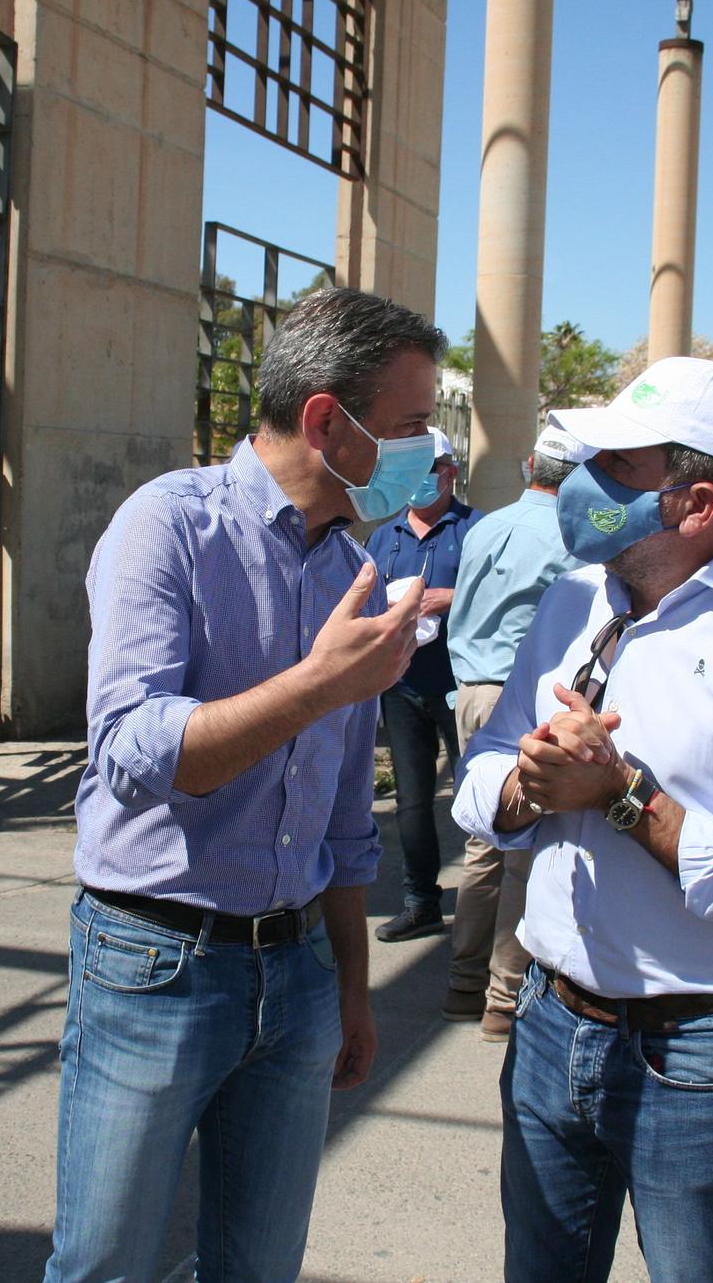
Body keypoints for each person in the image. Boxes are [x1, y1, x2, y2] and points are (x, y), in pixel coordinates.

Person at [54, 286, 441, 1281]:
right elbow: (137, 751)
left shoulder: (346, 566)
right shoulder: (169, 524)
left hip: (298, 967)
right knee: (105, 1264)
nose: (423, 451)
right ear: (326, 419)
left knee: (255, 1265)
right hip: (155, 959)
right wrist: (319, 682)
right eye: (405, 426)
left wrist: (352, 987)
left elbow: (347, 814)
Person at [453, 356, 713, 1281]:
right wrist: (533, 780)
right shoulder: (573, 602)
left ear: (696, 503)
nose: (583, 480)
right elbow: (481, 783)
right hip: (551, 1021)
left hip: (702, 1051)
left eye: (618, 465)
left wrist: (622, 795)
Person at [441, 423, 581, 1034]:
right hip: (524, 698)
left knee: (481, 846)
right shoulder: (572, 540)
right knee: (523, 848)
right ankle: (503, 997)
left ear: (529, 465)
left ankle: (463, 981)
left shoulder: (486, 527)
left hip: (470, 690)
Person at [369, 426, 482, 942]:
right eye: (409, 473)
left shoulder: (476, 531)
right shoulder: (383, 536)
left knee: (478, 796)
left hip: (458, 683)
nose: (417, 483)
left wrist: (449, 598)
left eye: (427, 472)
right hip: (401, 681)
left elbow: (495, 601)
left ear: (450, 474)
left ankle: (489, 908)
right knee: (411, 800)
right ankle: (420, 901)